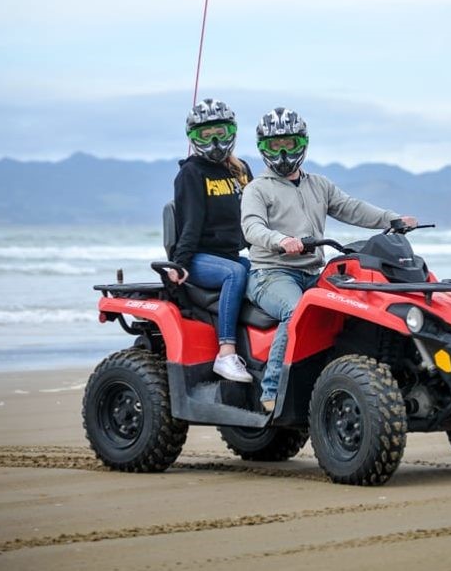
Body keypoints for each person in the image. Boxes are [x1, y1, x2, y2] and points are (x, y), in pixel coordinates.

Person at [241, 107, 417, 411]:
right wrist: (281, 241)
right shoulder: (257, 188)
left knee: (358, 306)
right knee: (296, 311)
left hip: (313, 272)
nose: (283, 152)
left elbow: (352, 208)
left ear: (303, 144)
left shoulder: (318, 185)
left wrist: (393, 219)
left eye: (290, 143)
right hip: (271, 274)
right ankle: (272, 391)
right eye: (274, 145)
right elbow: (252, 227)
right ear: (263, 148)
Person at [167, 98, 254, 383]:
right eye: (206, 133)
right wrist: (179, 265)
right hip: (199, 258)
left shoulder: (241, 171)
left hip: (231, 254)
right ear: (193, 137)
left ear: (232, 132)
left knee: (265, 274)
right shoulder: (191, 173)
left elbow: (254, 220)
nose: (215, 139)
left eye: (221, 131)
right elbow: (189, 224)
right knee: (235, 272)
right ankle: (226, 353)